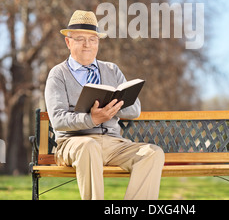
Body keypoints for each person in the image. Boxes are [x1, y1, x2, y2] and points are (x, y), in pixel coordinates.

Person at [45, 10, 165, 200]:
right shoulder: (58, 74)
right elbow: (58, 120)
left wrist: (113, 105)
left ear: (98, 43)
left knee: (153, 153)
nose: (87, 45)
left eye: (93, 39)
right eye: (80, 39)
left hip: (113, 143)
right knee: (89, 146)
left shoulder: (112, 70)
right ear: (68, 42)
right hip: (74, 144)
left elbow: (135, 110)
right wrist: (91, 119)